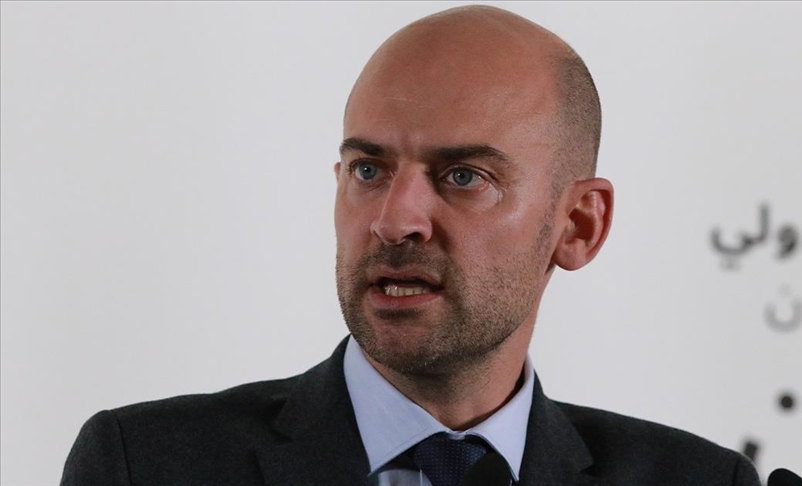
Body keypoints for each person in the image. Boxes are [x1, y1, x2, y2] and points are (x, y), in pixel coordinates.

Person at [61, 5, 761, 485]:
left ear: (578, 226)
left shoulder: (700, 479)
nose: (395, 222)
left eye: (463, 176)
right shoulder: (144, 465)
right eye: (369, 170)